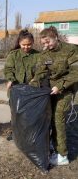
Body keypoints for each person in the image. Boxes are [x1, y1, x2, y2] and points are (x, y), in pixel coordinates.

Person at [30, 26, 78, 166]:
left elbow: (75, 73)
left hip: (66, 90)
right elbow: (40, 72)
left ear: (56, 37)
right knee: (49, 118)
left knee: (58, 118)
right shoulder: (45, 54)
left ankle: (62, 155)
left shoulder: (71, 50)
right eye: (43, 43)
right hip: (49, 90)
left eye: (48, 42)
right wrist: (33, 83)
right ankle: (54, 144)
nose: (46, 46)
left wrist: (61, 86)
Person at [4, 29, 39, 140]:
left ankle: (29, 133)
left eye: (29, 44)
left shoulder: (38, 55)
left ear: (33, 42)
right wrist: (10, 79)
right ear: (19, 43)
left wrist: (36, 79)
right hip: (16, 90)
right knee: (16, 112)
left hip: (31, 91)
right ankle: (14, 132)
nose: (26, 47)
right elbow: (8, 69)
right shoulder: (13, 55)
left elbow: (42, 71)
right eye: (23, 45)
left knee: (29, 113)